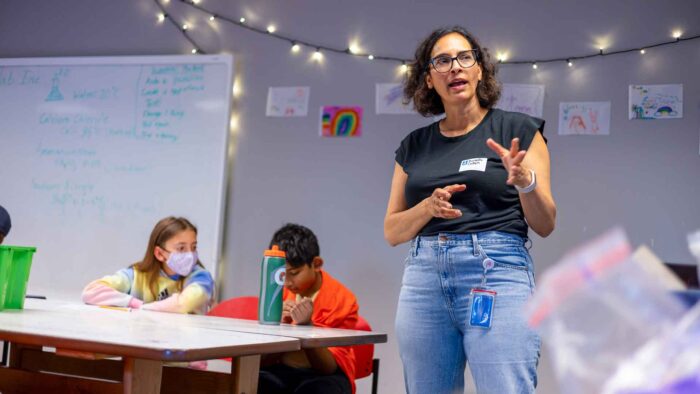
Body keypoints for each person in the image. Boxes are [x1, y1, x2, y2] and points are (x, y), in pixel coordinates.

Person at [384, 26, 556, 393]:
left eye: (464, 58)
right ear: (428, 79)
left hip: (496, 276)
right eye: (442, 61)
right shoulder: (413, 146)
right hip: (424, 280)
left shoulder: (519, 130)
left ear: (480, 69)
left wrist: (525, 181)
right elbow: (393, 231)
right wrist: (428, 208)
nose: (454, 68)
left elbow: (545, 223)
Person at [259, 223, 359, 394]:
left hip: (324, 376)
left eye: (295, 273)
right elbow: (262, 360)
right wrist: (276, 325)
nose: (288, 282)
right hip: (282, 367)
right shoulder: (277, 293)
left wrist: (307, 328)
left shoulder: (342, 301)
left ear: (316, 264)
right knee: (254, 383)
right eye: (282, 274)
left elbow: (328, 368)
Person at [82, 216, 214, 314]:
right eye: (181, 249)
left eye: (193, 247)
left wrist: (144, 308)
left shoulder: (201, 278)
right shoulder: (137, 275)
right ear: (159, 254)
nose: (190, 254)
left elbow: (182, 304)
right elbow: (91, 292)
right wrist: (134, 303)